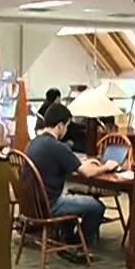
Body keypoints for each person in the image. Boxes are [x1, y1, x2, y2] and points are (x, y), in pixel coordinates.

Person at [26, 103, 118, 249]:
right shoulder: (57, 147)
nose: (67, 130)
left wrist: (87, 162)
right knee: (97, 207)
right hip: (51, 205)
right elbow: (86, 172)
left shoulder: (33, 143)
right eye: (67, 126)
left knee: (70, 198)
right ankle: (78, 243)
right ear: (60, 126)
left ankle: (67, 237)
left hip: (34, 205)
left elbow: (72, 164)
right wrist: (106, 166)